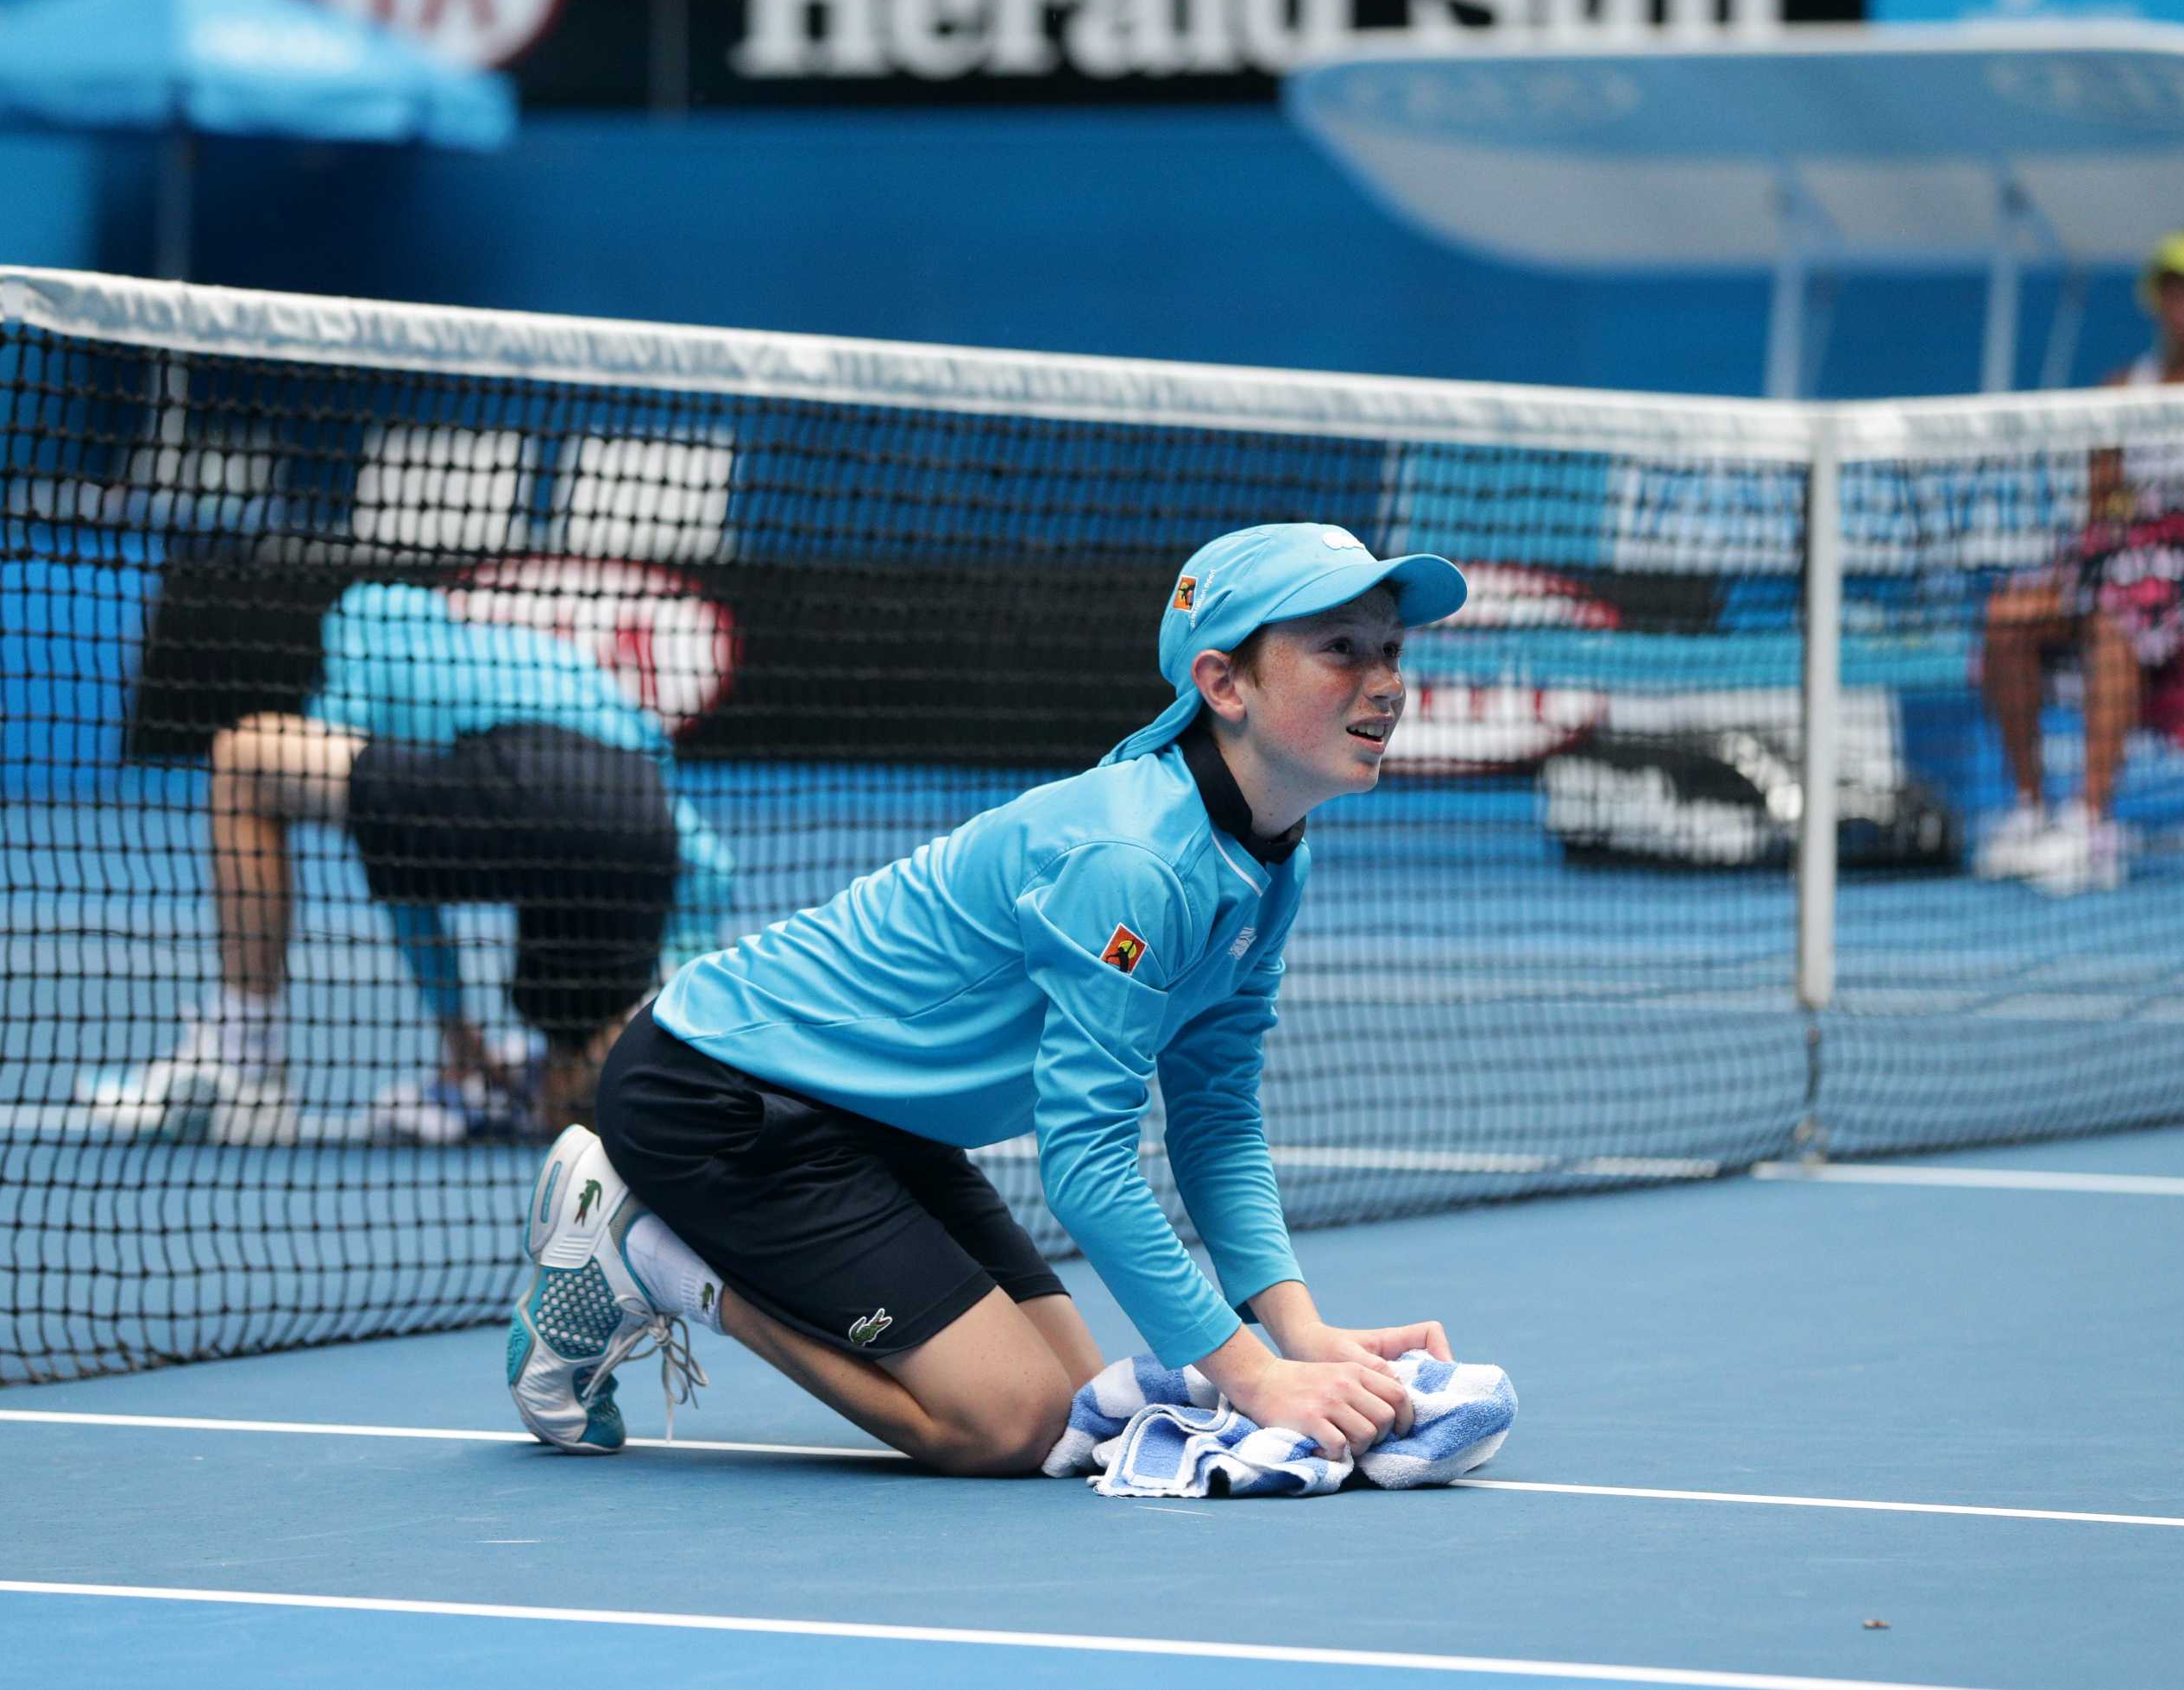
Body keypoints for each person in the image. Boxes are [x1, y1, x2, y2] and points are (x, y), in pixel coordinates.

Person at [504, 522, 1467, 1474]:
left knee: (1072, 1408)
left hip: (876, 1118)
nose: (1385, 680)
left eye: (1389, 646)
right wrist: (1253, 1377)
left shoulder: (1269, 859)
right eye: (1340, 648)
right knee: (1005, 1425)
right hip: (717, 1094)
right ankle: (651, 1251)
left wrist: (1298, 1335)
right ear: (1223, 684)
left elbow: (1213, 1113)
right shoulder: (1132, 863)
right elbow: (1085, 1160)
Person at [89, 579, 736, 1142]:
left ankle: (243, 1064)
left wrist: (454, 1026)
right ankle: (599, 1089)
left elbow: (390, 851)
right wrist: (684, 992)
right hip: (636, 816)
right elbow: (705, 861)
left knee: (246, 761)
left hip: (523, 779)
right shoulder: (549, 664)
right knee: (573, 1058)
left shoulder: (370, 622)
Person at [1973, 230, 2184, 895]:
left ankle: (2090, 826)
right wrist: (2132, 544)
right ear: (2157, 298)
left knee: (2113, 621)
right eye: (2172, 288)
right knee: (2008, 615)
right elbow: (2100, 512)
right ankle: (2033, 813)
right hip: (2130, 570)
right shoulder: (2122, 389)